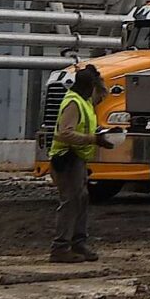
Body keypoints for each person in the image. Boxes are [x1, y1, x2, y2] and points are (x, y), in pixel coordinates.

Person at [47, 63, 104, 263]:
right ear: (89, 86)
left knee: (80, 200)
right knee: (70, 202)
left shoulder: (83, 101)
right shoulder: (74, 102)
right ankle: (61, 247)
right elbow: (66, 133)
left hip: (76, 158)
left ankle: (77, 243)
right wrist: (93, 139)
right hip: (67, 158)